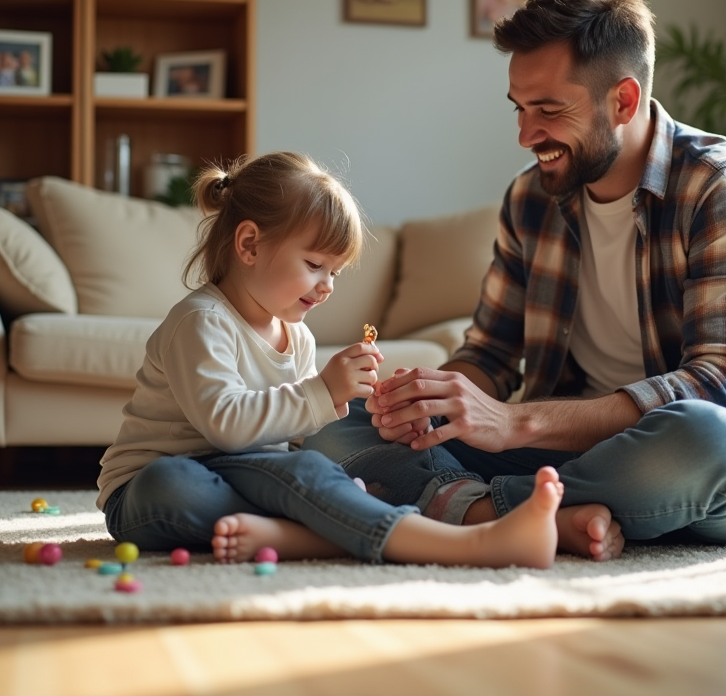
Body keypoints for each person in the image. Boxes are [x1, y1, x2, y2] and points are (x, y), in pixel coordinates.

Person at [304, 0, 726, 561]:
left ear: (624, 101)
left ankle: (465, 509)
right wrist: (433, 402)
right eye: (520, 108)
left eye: (549, 110)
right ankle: (528, 516)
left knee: (698, 438)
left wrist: (516, 425)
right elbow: (490, 355)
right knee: (338, 422)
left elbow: (723, 389)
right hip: (567, 454)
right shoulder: (529, 200)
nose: (525, 134)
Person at [96, 151, 567, 568]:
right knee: (175, 482)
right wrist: (322, 391)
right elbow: (226, 427)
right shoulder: (201, 323)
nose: (327, 287)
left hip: (241, 477)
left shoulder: (296, 336)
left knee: (315, 471)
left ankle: (306, 531)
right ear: (249, 245)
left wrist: (377, 413)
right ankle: (448, 544)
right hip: (147, 489)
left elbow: (297, 440)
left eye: (335, 273)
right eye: (315, 265)